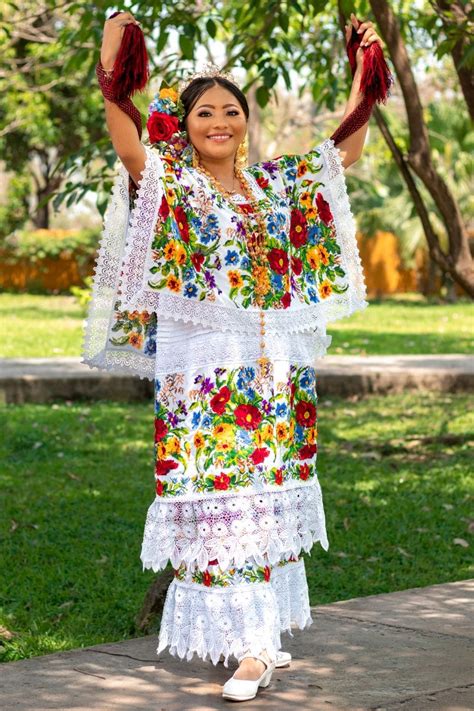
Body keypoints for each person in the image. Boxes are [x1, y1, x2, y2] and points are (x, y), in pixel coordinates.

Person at [83, 10, 388, 702]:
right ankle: (251, 647)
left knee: (266, 504)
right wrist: (112, 63)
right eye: (204, 112)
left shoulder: (271, 187)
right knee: (221, 501)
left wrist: (362, 76)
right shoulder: (173, 184)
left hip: (276, 378)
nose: (219, 121)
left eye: (231, 110)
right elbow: (129, 147)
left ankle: (260, 638)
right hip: (203, 383)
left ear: (246, 121)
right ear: (185, 125)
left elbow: (341, 156)